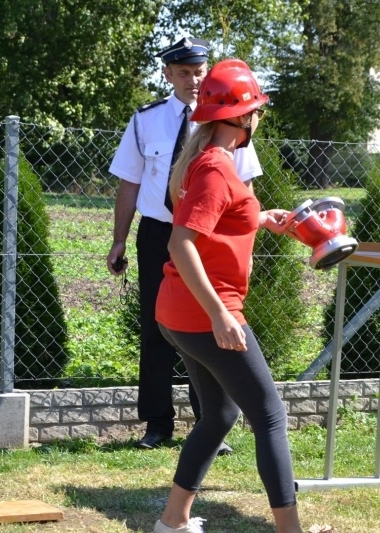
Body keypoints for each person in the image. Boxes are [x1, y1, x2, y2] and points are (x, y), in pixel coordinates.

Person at [153, 59, 302, 533]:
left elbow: (215, 222)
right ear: (241, 118)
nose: (259, 117)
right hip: (206, 315)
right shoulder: (217, 167)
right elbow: (182, 243)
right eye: (256, 109)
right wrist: (220, 315)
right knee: (270, 417)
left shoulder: (210, 162)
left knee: (218, 413)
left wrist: (259, 218)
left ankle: (173, 521)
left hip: (179, 313)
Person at [106, 37, 262, 452]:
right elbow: (130, 182)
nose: (193, 80)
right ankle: (157, 424)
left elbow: (242, 188)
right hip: (159, 233)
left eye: (199, 71)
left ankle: (212, 423)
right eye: (184, 73)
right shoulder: (146, 120)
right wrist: (119, 239)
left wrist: (243, 237)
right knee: (157, 330)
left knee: (210, 327)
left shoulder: (230, 118)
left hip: (208, 238)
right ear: (167, 75)